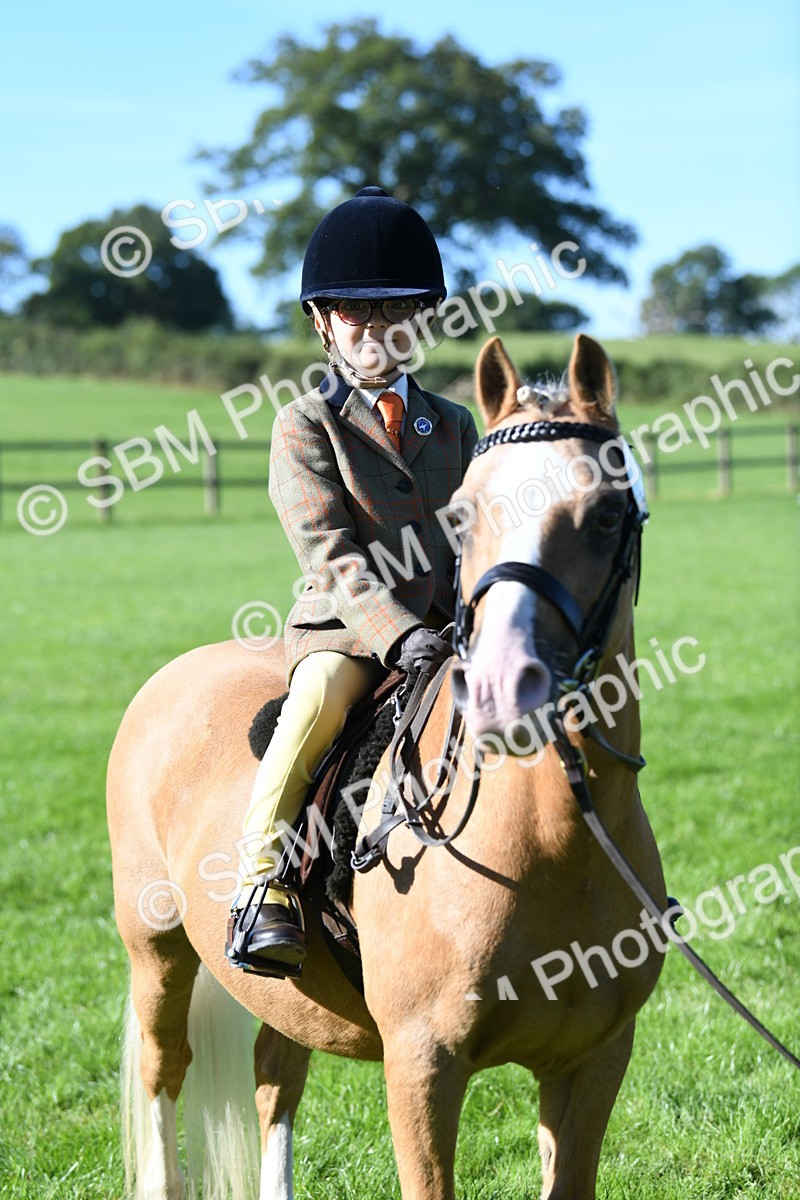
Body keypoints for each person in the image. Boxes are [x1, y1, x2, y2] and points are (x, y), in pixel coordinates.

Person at [226, 185, 479, 976]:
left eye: (395, 310)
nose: (375, 329)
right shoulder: (305, 423)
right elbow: (329, 554)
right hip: (348, 630)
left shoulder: (459, 422)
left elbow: (477, 534)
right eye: (354, 311)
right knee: (319, 699)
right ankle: (259, 884)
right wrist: (400, 636)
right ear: (322, 321)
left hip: (450, 626)